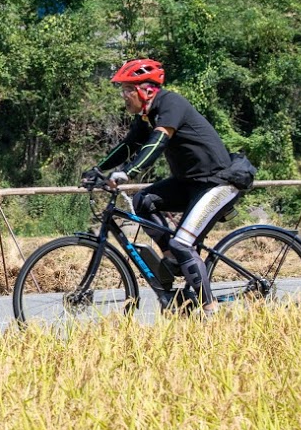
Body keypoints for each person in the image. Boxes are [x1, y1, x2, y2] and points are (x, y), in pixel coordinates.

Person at [82, 58, 243, 314]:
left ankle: (211, 311)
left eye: (127, 90)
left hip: (218, 183)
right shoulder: (146, 116)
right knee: (143, 201)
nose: (123, 96)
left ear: (145, 90)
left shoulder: (170, 104)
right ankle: (172, 258)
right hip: (189, 184)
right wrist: (98, 169)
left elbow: (156, 144)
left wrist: (128, 172)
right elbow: (128, 146)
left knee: (183, 244)